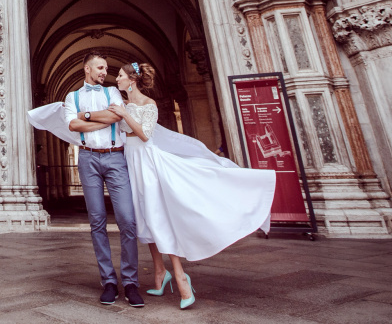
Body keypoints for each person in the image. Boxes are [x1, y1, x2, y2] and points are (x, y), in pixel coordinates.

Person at [109, 62, 275, 309]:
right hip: (130, 163)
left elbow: (144, 134)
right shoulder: (122, 104)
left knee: (158, 217)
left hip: (148, 163)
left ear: (132, 80)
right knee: (144, 219)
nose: (117, 80)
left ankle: (180, 277)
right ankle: (159, 272)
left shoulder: (148, 104)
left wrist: (124, 115)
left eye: (120, 76)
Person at [59, 53, 144, 307]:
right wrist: (97, 120)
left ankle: (131, 282)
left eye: (106, 68)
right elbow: (72, 126)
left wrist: (85, 116)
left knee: (127, 219)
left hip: (115, 157)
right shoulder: (72, 97)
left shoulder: (113, 93)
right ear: (87, 68)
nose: (104, 72)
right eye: (100, 67)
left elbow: (115, 117)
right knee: (97, 221)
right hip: (88, 158)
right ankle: (108, 281)